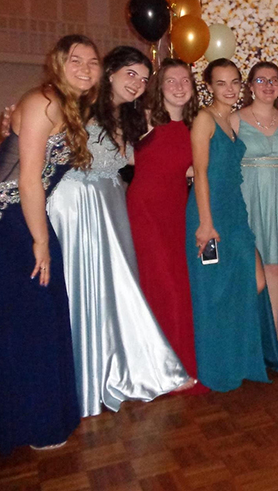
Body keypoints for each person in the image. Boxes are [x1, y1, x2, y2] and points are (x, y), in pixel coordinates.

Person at [0, 35, 97, 452]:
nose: (85, 68)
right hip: (3, 218)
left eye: (93, 62)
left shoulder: (69, 106)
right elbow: (27, 179)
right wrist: (41, 240)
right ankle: (31, 422)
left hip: (19, 216)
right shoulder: (45, 101)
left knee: (31, 315)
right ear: (58, 63)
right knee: (30, 315)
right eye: (76, 59)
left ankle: (25, 417)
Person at [47, 46, 189, 417]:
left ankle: (122, 368)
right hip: (77, 205)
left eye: (144, 79)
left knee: (117, 289)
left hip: (112, 204)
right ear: (109, 72)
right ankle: (82, 374)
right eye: (131, 74)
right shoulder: (78, 105)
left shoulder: (128, 117)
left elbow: (145, 159)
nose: (138, 84)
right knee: (84, 288)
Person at [186, 58, 278, 391]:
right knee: (215, 290)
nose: (229, 89)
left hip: (234, 211)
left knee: (254, 281)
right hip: (211, 212)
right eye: (221, 83)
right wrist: (205, 223)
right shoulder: (204, 119)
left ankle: (242, 353)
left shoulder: (229, 120)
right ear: (208, 86)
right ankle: (220, 362)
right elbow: (200, 172)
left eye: (234, 82)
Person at [126, 58, 206, 393]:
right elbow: (122, 154)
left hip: (177, 213)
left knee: (178, 286)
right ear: (159, 88)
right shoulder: (143, 119)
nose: (178, 85)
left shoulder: (193, 128)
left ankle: (175, 362)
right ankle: (165, 369)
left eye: (184, 79)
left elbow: (191, 171)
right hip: (145, 211)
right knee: (162, 286)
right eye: (170, 80)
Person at [236, 61, 278, 345]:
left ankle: (273, 332)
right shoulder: (234, 119)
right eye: (261, 80)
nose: (268, 85)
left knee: (274, 266)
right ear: (250, 86)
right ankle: (247, 332)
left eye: (274, 80)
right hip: (246, 193)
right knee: (249, 266)